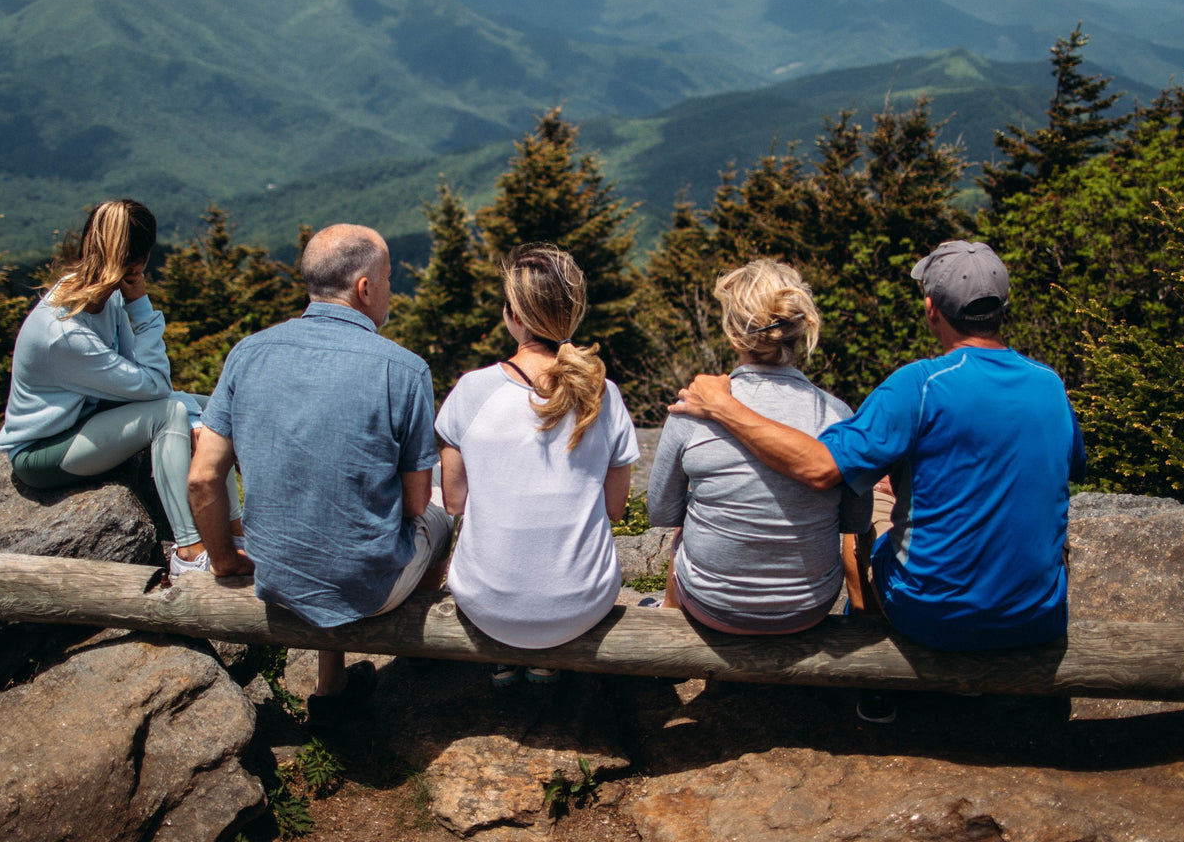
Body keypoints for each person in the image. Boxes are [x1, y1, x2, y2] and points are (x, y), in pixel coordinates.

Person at [670, 240, 1085, 722]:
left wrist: (723, 406)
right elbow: (1066, 467)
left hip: (932, 615)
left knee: (868, 508)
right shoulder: (1049, 384)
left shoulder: (919, 384)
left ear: (931, 310)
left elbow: (822, 467)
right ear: (1001, 308)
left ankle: (875, 679)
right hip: (1036, 616)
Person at [188, 224, 452, 722]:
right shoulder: (405, 369)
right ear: (365, 288)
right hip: (370, 590)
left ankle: (332, 682)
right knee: (441, 521)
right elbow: (416, 505)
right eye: (389, 278)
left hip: (277, 576)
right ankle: (419, 651)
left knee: (322, 501)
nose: (391, 290)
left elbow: (202, 478)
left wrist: (224, 559)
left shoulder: (248, 353)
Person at [0, 198, 240, 576]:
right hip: (42, 451)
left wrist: (199, 418)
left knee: (213, 408)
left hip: (86, 420)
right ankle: (188, 552)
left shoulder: (99, 297)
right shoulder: (66, 333)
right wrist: (141, 306)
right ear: (138, 263)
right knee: (170, 414)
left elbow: (143, 378)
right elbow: (157, 387)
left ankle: (234, 533)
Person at [435, 244, 638, 687]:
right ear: (572, 316)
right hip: (582, 604)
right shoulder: (605, 394)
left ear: (514, 316)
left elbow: (454, 502)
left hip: (487, 604)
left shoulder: (472, 391)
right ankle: (549, 660)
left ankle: (505, 657)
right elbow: (616, 508)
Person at [647, 259, 871, 634]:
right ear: (798, 330)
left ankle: (668, 614)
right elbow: (855, 520)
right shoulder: (837, 414)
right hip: (809, 606)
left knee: (684, 527)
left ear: (733, 335)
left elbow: (662, 510)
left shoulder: (693, 409)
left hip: (712, 606)